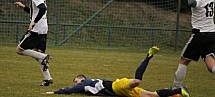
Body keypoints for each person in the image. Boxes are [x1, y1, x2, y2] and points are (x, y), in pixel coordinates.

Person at [45, 46, 190, 97]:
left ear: (81, 78)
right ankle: (177, 92)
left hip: (117, 86)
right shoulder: (88, 85)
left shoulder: (86, 83)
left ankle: (149, 55)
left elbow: (71, 90)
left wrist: (54, 92)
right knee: (152, 96)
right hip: (122, 93)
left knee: (137, 81)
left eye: (75, 80)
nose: (75, 83)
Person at [173, 0, 215, 88]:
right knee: (210, 65)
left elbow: (191, 2)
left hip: (199, 35)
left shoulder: (198, 1)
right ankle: (177, 87)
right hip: (212, 34)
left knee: (184, 60)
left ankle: (176, 88)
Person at [14, 0, 53, 86]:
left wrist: (33, 22)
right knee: (38, 54)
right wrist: (23, 6)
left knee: (19, 50)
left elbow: (43, 9)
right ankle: (47, 79)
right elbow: (35, 11)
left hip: (37, 29)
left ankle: (44, 57)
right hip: (43, 28)